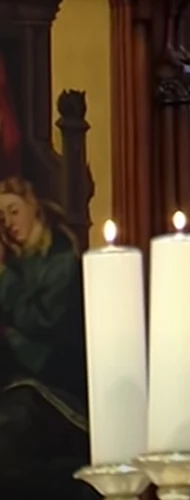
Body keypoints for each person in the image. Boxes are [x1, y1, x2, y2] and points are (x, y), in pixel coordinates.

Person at [0, 176, 93, 499]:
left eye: (14, 210)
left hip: (59, 391)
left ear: (34, 208)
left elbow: (42, 320)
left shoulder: (63, 262)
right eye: (2, 217)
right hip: (24, 382)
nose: (9, 223)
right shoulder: (17, 267)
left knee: (12, 424)